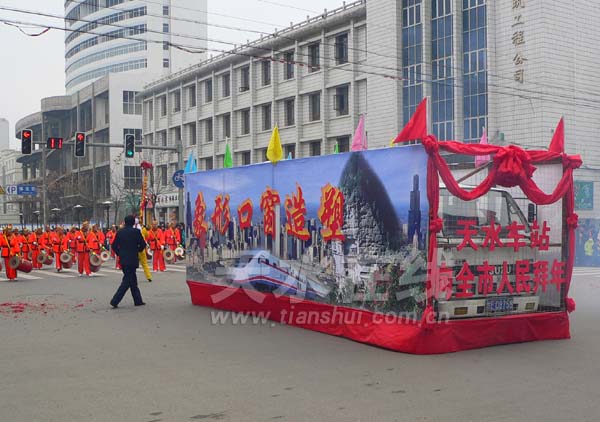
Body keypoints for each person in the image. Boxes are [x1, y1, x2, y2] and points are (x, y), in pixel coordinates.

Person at [110, 215, 147, 308]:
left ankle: (138, 300)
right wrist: (138, 250)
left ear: (125, 222)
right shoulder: (136, 232)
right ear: (133, 222)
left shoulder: (120, 232)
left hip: (123, 259)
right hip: (133, 258)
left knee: (132, 280)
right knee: (127, 281)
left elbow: (114, 245)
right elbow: (143, 244)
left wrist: (119, 253)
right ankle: (115, 300)